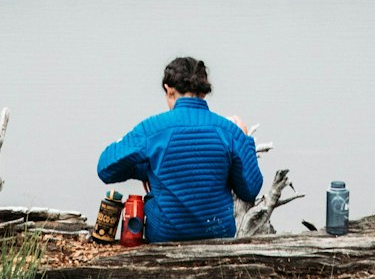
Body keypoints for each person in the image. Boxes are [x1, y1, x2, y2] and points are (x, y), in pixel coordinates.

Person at [96, 56, 263, 242]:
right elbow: (250, 189)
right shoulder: (229, 130)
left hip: (165, 235)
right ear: (204, 92)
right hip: (218, 233)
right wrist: (246, 139)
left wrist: (149, 168)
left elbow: (105, 168)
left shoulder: (153, 128)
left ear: (168, 90)